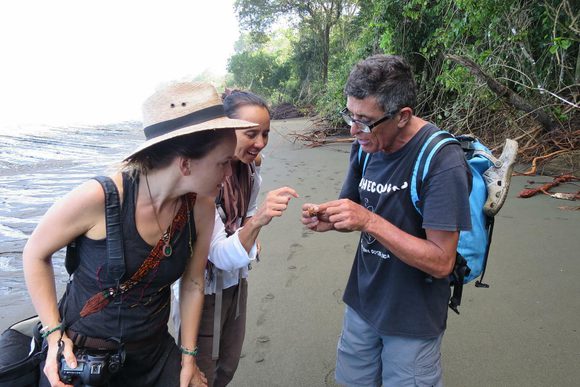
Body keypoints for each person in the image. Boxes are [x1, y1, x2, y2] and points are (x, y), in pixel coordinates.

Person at [23, 81, 258, 387]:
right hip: (84, 355)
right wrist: (54, 337)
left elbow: (193, 281)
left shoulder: (199, 206)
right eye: (224, 163)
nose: (229, 175)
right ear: (185, 164)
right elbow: (35, 253)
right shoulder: (101, 197)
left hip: (154, 352)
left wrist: (188, 358)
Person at [301, 55, 473, 386]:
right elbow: (353, 205)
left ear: (402, 116)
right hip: (362, 301)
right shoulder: (366, 144)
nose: (354, 130)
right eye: (349, 115)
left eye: (364, 120)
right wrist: (330, 217)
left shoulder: (442, 162)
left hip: (413, 317)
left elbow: (441, 261)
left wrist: (369, 221)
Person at [172, 90, 298, 386]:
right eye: (251, 133)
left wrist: (251, 228)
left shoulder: (250, 170)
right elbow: (217, 254)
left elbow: (247, 212)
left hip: (235, 284)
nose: (260, 143)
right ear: (225, 131)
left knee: (227, 366)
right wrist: (257, 223)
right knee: (200, 374)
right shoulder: (205, 181)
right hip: (202, 291)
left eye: (265, 134)